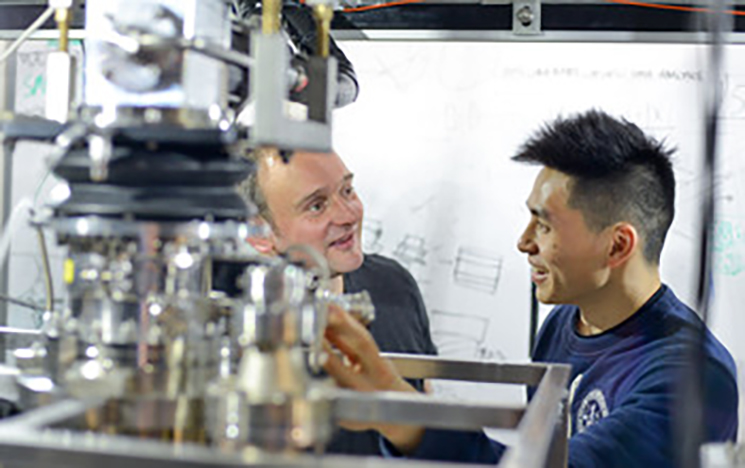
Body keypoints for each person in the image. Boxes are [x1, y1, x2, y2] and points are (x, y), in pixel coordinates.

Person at [322, 110, 738, 467]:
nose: (524, 242)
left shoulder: (693, 379)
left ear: (617, 245)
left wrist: (396, 407)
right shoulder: (564, 324)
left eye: (544, 225)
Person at [237, 147, 437, 455]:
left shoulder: (395, 284)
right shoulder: (239, 330)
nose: (349, 215)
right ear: (260, 235)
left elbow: (425, 408)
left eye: (347, 190)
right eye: (316, 206)